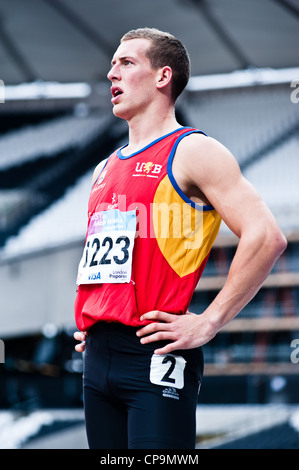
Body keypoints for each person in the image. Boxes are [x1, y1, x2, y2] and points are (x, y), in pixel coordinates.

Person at [74, 28, 287, 449]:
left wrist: (209, 321)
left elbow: (267, 236)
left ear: (162, 77)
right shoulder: (103, 169)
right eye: (112, 64)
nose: (111, 74)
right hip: (97, 358)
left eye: (126, 63)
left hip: (157, 352)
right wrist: (97, 314)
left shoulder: (192, 150)